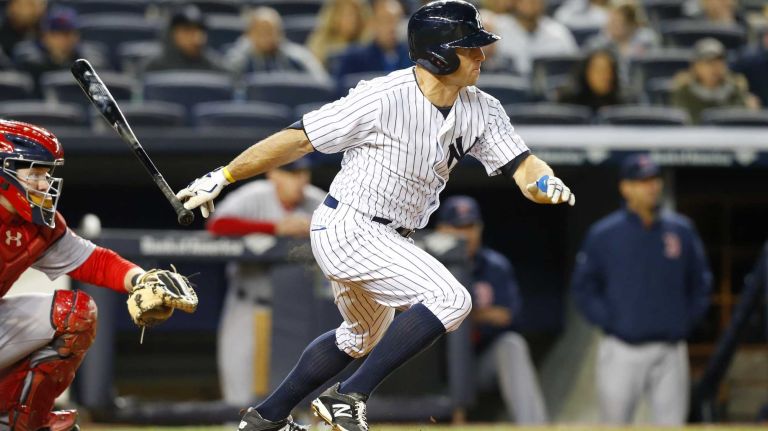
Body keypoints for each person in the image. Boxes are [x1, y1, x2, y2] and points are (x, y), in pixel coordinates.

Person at [177, 1, 575, 430]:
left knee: (359, 338)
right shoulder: (381, 97)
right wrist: (225, 174)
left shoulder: (483, 108)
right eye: (470, 47)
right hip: (350, 224)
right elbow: (299, 139)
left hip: (390, 235)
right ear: (438, 52)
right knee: (452, 299)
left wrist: (544, 182)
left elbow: (523, 165)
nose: (481, 55)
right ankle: (348, 397)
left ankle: (265, 418)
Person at [0, 119, 195, 431]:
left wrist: (141, 280)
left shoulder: (35, 224)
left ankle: (18, 422)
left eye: (46, 174)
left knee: (77, 313)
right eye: (34, 173)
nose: (43, 183)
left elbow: (94, 261)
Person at [571, 154, 712, 425]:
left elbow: (701, 281)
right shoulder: (604, 234)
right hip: (623, 349)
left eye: (654, 180)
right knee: (615, 425)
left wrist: (685, 320)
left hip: (670, 349)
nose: (652, 186)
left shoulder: (680, 230)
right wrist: (610, 321)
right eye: (643, 181)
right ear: (626, 188)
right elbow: (584, 288)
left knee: (672, 426)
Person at [207, 158, 326, 406]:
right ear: (273, 174)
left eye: (304, 173)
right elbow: (217, 225)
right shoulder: (254, 196)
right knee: (239, 388)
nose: (300, 180)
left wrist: (316, 228)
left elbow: (351, 230)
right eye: (292, 174)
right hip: (249, 302)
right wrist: (274, 227)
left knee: (301, 389)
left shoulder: (317, 201)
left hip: (299, 310)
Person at [434, 195, 547, 424]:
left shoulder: (495, 267)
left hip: (477, 364)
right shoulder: (425, 267)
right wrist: (480, 315)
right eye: (458, 227)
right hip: (433, 369)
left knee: (512, 344)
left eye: (471, 227)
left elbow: (509, 317)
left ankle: (534, 426)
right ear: (442, 229)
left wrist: (462, 315)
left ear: (480, 228)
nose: (465, 235)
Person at [15, 7, 107, 96]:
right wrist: (56, 59)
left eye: (67, 33)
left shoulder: (91, 60)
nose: (62, 39)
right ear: (44, 36)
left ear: (76, 36)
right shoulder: (28, 59)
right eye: (56, 34)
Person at [223, 7, 327, 81]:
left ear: (280, 33)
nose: (265, 36)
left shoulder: (298, 57)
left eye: (270, 31)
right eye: (260, 31)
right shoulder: (237, 58)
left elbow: (320, 81)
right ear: (249, 34)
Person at [670, 38, 759, 124]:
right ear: (696, 66)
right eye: (708, 63)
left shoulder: (736, 89)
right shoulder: (683, 92)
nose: (715, 68)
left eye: (719, 62)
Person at [334, 0, 412, 95]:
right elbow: (338, 96)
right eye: (386, 20)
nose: (393, 27)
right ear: (373, 23)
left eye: (398, 20)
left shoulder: (414, 58)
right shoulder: (353, 59)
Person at [494, 0, 578, 76]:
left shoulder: (558, 32)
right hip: (510, 86)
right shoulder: (496, 28)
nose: (531, 3)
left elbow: (574, 67)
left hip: (548, 88)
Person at [144, 4, 224, 73]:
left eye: (199, 30)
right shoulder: (153, 67)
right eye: (187, 30)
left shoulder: (216, 68)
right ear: (171, 34)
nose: (196, 36)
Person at [584, 0, 659, 73]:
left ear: (630, 24)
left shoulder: (645, 37)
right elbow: (590, 49)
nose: (612, 27)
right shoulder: (605, 40)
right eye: (611, 22)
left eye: (617, 22)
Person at [557, 48, 626, 114]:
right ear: (586, 73)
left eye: (608, 70)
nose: (603, 76)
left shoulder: (624, 103)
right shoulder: (569, 102)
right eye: (598, 71)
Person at [306, 0, 370, 69]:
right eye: (347, 15)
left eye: (356, 15)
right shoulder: (319, 44)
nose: (353, 20)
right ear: (334, 17)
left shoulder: (369, 44)